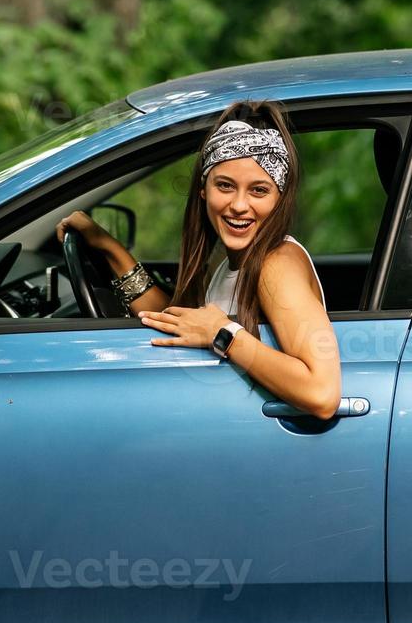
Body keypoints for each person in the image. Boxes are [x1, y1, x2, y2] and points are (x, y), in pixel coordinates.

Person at [56, 100, 342, 420]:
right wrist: (108, 247)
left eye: (259, 190)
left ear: (279, 197)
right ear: (204, 189)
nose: (238, 205)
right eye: (225, 186)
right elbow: (175, 321)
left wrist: (223, 334)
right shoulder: (228, 261)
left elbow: (322, 394)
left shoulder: (276, 265)